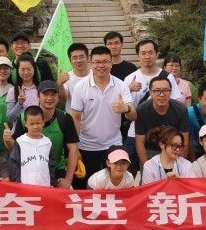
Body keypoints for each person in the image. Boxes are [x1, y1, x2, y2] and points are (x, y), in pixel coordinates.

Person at [70, 45, 135, 188]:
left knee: (115, 187)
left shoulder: (121, 85)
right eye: (97, 62)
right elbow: (75, 118)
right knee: (84, 188)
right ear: (91, 63)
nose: (101, 65)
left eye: (105, 62)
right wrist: (75, 148)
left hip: (113, 145)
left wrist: (126, 108)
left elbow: (133, 115)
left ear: (111, 63)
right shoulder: (81, 87)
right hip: (87, 146)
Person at [5, 79, 80, 188]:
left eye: (53, 94)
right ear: (38, 96)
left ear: (58, 96)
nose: (49, 98)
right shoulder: (24, 117)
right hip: (28, 172)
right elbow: (14, 149)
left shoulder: (65, 118)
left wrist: (68, 179)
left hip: (56, 171)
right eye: (45, 94)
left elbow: (73, 149)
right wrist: (7, 140)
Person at [123, 39, 183, 174]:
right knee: (130, 169)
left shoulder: (168, 77)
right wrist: (129, 89)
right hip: (136, 131)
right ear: (138, 56)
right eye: (143, 53)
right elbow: (122, 106)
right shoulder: (130, 78)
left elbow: (174, 103)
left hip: (163, 131)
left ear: (157, 54)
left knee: (165, 169)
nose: (147, 56)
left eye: (150, 53)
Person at [134, 75, 190, 168]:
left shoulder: (181, 109)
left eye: (165, 90)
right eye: (157, 91)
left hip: (173, 149)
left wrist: (180, 165)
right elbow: (139, 142)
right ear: (150, 92)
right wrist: (147, 166)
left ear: (171, 92)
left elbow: (184, 140)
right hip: (150, 150)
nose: (161, 94)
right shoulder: (141, 110)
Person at [9, 106, 57, 186]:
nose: (35, 126)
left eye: (38, 123)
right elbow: (14, 164)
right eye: (32, 124)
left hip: (45, 187)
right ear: (25, 123)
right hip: (25, 188)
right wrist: (17, 185)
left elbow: (51, 165)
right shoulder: (20, 142)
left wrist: (52, 183)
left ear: (43, 122)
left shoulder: (48, 143)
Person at [5, 53, 41, 123]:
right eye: (23, 69)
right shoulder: (13, 91)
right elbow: (10, 118)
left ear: (34, 69)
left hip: (39, 128)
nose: (26, 72)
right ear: (18, 70)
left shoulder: (41, 89)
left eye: (29, 69)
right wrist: (19, 104)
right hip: (20, 129)